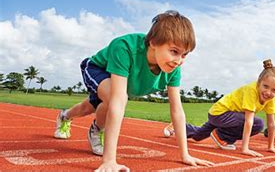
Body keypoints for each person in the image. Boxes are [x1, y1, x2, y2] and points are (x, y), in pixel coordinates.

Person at [53, 10, 214, 171]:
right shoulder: (124, 48)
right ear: (153, 43)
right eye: (174, 51)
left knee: (89, 107)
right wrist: (109, 161)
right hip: (98, 69)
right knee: (115, 99)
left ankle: (65, 116)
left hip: (118, 82)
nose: (178, 61)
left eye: (184, 55)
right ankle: (97, 130)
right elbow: (117, 100)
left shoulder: (173, 68)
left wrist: (185, 154)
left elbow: (177, 111)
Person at [164, 59, 275, 157]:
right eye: (265, 86)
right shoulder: (251, 90)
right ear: (259, 82)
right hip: (220, 113)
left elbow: (272, 124)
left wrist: (271, 146)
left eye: (274, 90)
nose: (268, 92)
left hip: (229, 117)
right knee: (258, 124)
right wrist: (245, 148)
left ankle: (176, 126)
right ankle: (221, 136)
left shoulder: (270, 98)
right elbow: (249, 121)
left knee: (198, 136)